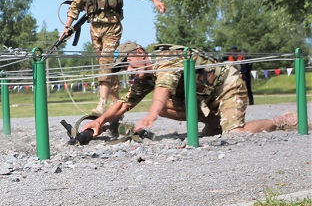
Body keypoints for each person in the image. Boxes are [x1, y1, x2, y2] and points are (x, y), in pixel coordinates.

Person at [81, 42, 298, 140]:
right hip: (204, 96)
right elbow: (125, 102)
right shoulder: (143, 75)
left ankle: (280, 120)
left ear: (140, 53)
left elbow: (163, 88)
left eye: (128, 62)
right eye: (124, 67)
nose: (128, 69)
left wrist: (151, 115)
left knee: (235, 135)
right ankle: (212, 122)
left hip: (226, 86)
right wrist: (100, 121)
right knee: (166, 108)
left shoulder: (165, 60)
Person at [60, 0, 166, 115]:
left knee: (106, 62)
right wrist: (67, 27)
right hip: (94, 29)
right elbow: (75, 6)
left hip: (112, 26)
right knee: (109, 68)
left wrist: (155, 0)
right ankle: (116, 106)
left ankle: (102, 105)